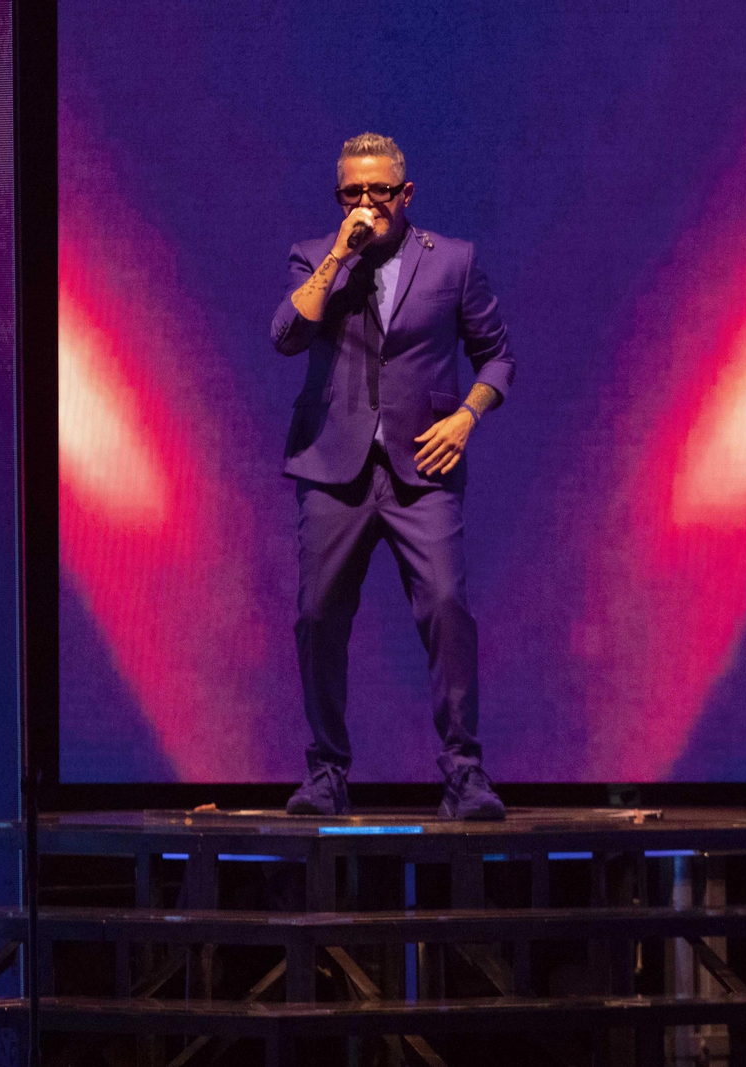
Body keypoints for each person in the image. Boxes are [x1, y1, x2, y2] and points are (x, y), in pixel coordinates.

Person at [269, 133, 515, 820]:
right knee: (317, 615)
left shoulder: (455, 262)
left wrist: (467, 415)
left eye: (380, 191)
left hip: (421, 467)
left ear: (405, 195)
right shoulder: (316, 256)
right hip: (332, 464)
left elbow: (497, 357)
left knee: (446, 607)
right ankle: (326, 771)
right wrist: (340, 255)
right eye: (353, 192)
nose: (367, 203)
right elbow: (287, 335)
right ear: (339, 196)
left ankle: (464, 774)